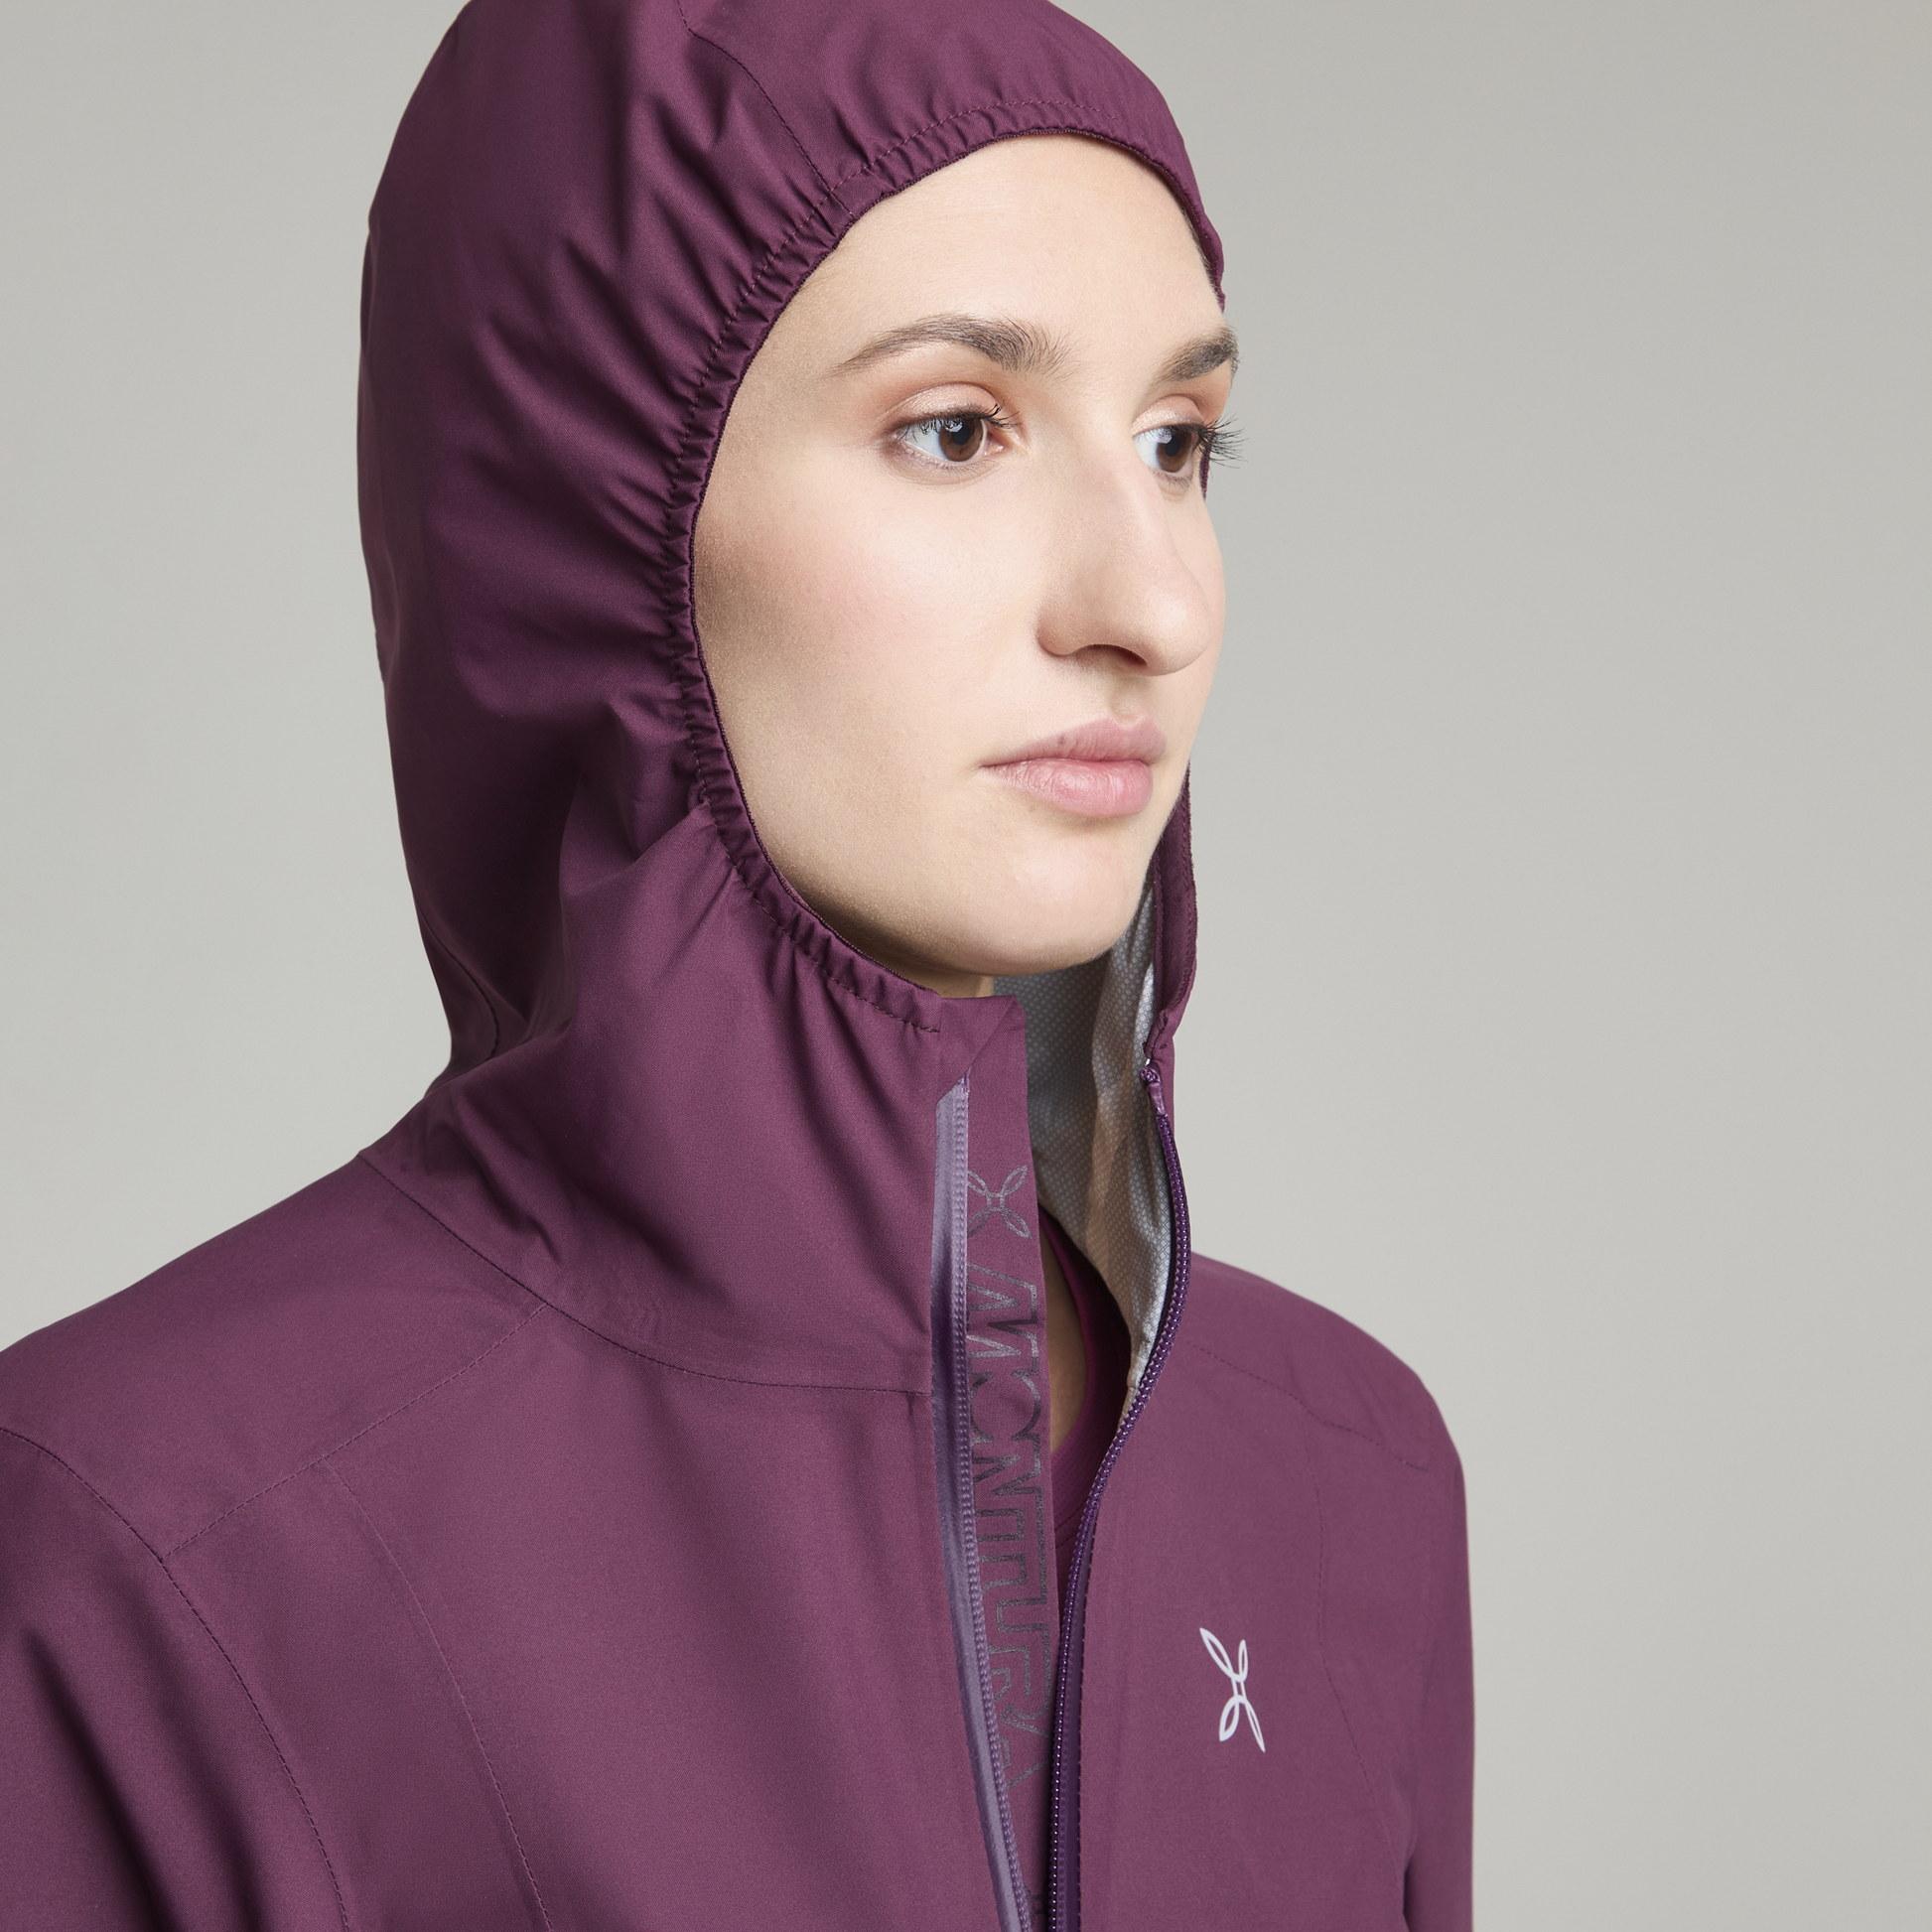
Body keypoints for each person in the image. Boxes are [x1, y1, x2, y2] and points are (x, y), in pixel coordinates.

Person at [0, 0, 1471, 1925]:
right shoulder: (139, 1534)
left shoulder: (1343, 1469)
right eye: (956, 430)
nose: (1153, 600)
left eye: (1178, 442)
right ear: (585, 521)